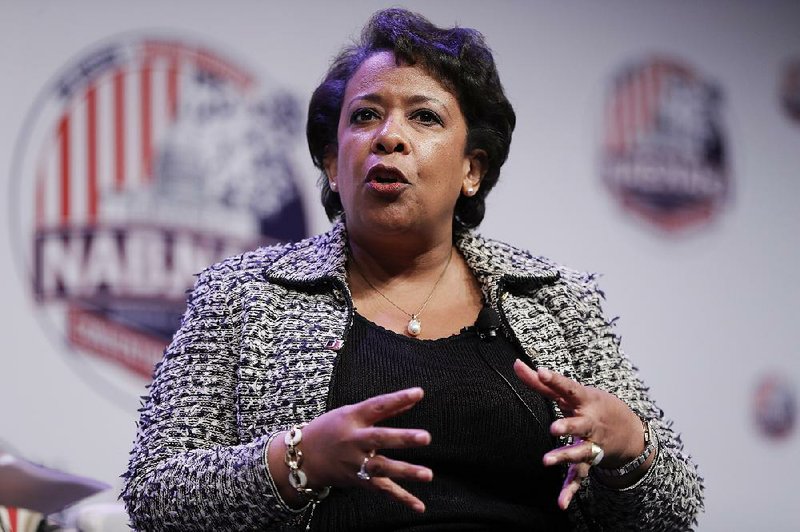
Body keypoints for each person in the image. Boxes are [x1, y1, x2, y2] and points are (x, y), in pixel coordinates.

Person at [122, 8, 704, 531]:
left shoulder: (555, 300)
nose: (389, 137)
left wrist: (631, 450)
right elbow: (154, 495)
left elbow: (674, 509)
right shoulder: (242, 297)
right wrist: (297, 460)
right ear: (331, 162)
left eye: (424, 118)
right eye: (365, 116)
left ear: (473, 169)